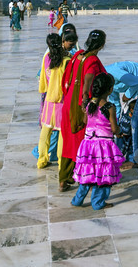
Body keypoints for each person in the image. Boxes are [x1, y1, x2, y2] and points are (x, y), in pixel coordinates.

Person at [59, 29, 107, 190]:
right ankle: (86, 179)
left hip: (68, 105)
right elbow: (87, 84)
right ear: (102, 44)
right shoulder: (92, 60)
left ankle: (64, 179)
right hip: (80, 107)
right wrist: (86, 107)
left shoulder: (77, 55)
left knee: (69, 143)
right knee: (83, 144)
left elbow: (66, 78)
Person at [71, 73, 124, 210]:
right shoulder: (109, 107)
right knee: (104, 174)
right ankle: (98, 202)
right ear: (110, 90)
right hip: (103, 146)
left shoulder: (88, 104)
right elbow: (113, 128)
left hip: (88, 144)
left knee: (87, 173)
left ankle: (77, 200)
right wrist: (119, 132)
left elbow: (85, 121)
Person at [37, 33, 71, 168]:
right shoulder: (67, 59)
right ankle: (61, 162)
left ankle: (42, 160)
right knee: (63, 133)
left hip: (49, 100)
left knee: (45, 132)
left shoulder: (46, 58)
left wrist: (45, 90)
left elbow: (43, 79)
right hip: (63, 101)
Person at [117, 97, 136, 162]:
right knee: (120, 149)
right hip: (122, 135)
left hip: (130, 135)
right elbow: (124, 102)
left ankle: (130, 160)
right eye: (135, 109)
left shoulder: (135, 117)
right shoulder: (125, 111)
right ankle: (118, 160)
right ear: (131, 109)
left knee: (131, 149)